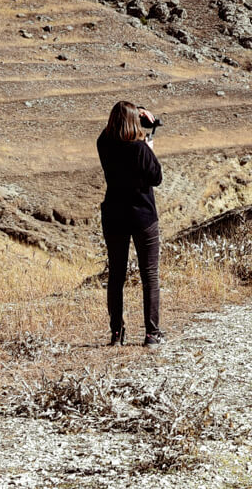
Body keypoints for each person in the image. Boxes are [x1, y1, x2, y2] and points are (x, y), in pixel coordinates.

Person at [97, 100, 163, 346]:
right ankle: (151, 334)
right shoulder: (140, 149)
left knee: (116, 276)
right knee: (149, 276)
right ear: (135, 121)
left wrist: (132, 112)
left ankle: (117, 333)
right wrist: (150, 146)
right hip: (142, 217)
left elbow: (109, 132)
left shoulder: (103, 144)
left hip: (114, 216)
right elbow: (156, 178)